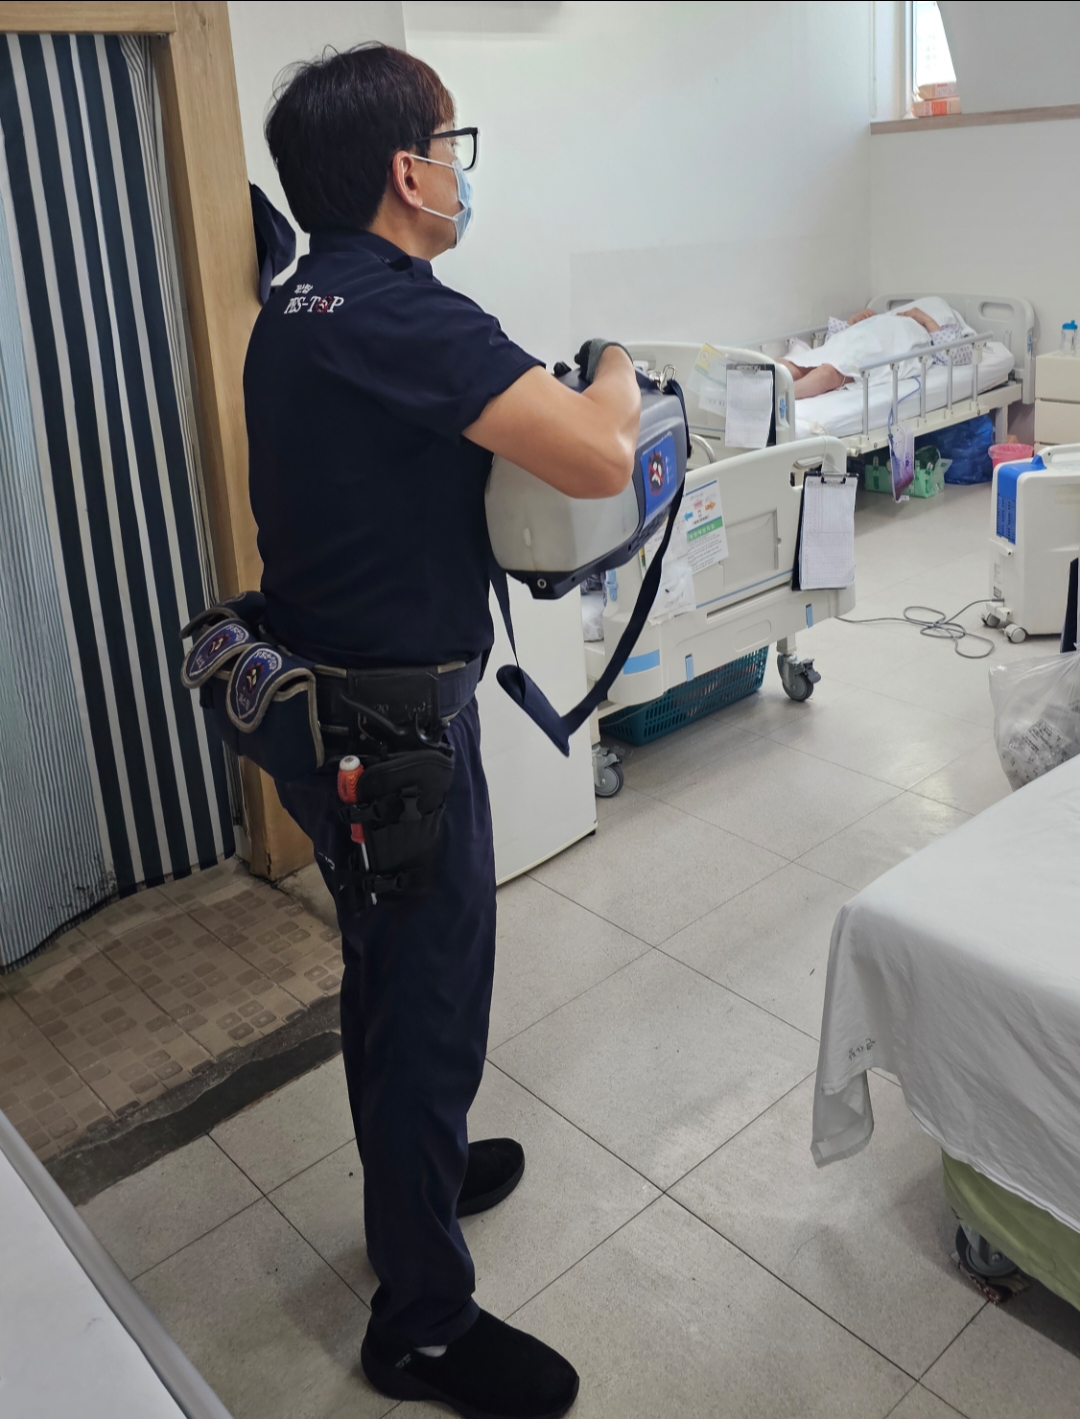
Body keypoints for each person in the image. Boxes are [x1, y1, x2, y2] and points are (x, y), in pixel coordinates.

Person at [245, 42, 641, 1419]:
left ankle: (420, 1177)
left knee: (384, 980)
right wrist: (619, 367)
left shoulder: (301, 300)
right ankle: (420, 1323)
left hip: (331, 714)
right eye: (451, 147)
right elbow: (596, 452)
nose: (462, 175)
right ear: (408, 173)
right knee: (427, 1003)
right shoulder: (402, 314)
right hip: (396, 735)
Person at [779, 297, 972, 399]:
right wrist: (852, 323)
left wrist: (925, 319)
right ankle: (766, 384)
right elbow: (836, 340)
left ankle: (778, 398)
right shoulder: (890, 317)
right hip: (860, 338)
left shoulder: (935, 331)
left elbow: (953, 356)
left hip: (880, 348)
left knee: (830, 371)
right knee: (796, 363)